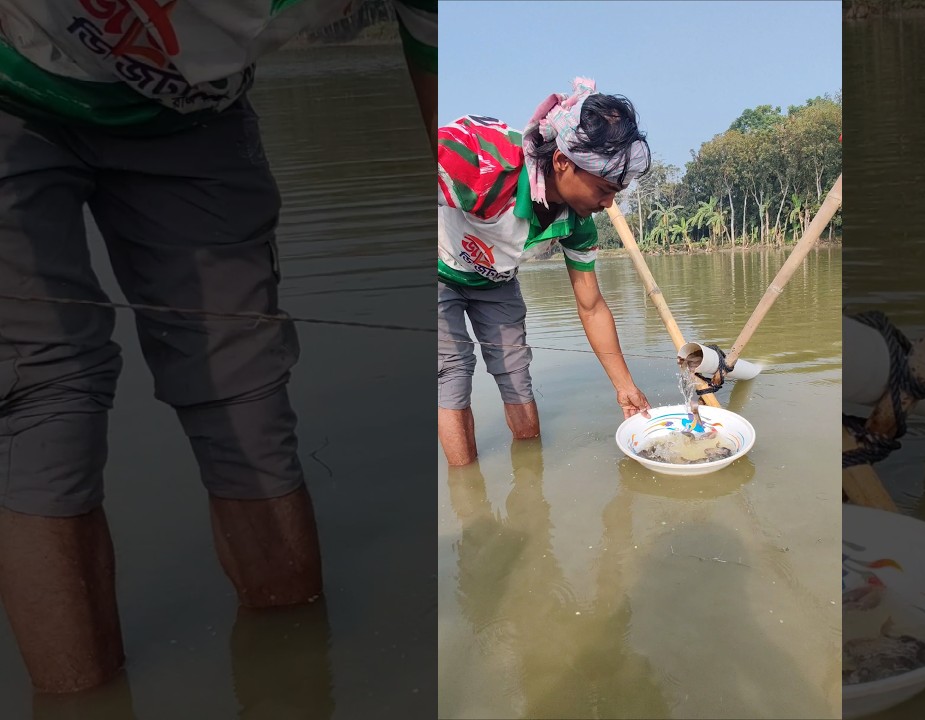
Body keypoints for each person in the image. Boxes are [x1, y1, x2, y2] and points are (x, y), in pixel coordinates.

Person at [0, 0, 436, 694]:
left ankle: (295, 681)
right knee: (43, 400)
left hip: (189, 112)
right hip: (12, 79)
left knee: (245, 397)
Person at [437, 77, 653, 467]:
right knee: (452, 372)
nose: (608, 204)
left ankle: (531, 482)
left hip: (496, 281)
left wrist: (625, 388)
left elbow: (591, 306)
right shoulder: (479, 158)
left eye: (615, 193)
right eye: (603, 189)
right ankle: (467, 490)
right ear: (562, 162)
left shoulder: (577, 222)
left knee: (515, 373)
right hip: (437, 271)